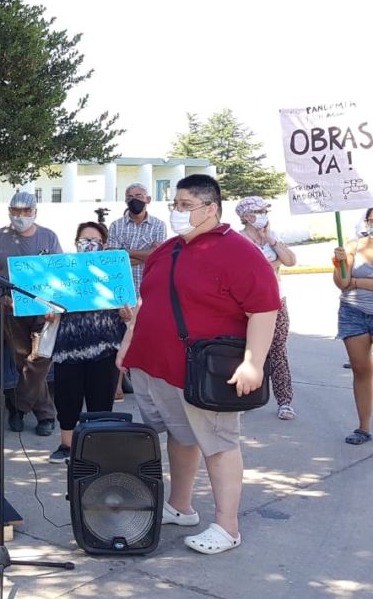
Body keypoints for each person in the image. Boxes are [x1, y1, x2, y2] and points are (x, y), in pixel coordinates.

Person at [118, 174, 279, 555]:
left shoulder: (238, 251)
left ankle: (227, 526)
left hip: (206, 369)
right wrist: (127, 344)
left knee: (219, 443)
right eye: (175, 205)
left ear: (211, 209)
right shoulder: (167, 249)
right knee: (181, 435)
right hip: (158, 365)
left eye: (186, 206)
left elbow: (264, 308)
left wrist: (253, 363)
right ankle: (181, 505)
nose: (177, 212)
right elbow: (146, 303)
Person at [48, 223, 133, 463]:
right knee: (67, 398)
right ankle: (66, 446)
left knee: (101, 399)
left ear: (104, 245)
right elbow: (49, 303)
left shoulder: (115, 271)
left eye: (94, 239)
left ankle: (99, 448)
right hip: (68, 348)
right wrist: (48, 312)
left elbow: (129, 309)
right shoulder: (63, 271)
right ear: (76, 242)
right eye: (84, 239)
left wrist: (127, 314)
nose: (89, 244)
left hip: (105, 347)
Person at [0, 191, 62, 436]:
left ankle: (18, 406)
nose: (21, 216)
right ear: (9, 211)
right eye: (15, 211)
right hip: (10, 308)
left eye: (26, 211)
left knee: (39, 360)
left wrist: (53, 304)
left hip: (43, 311)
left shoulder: (48, 237)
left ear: (35, 211)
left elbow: (59, 274)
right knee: (21, 361)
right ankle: (46, 416)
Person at [236, 196, 298, 420]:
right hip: (248, 304)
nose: (262, 215)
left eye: (264, 210)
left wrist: (271, 240)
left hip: (276, 301)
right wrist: (274, 264)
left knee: (278, 350)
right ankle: (240, 399)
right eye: (257, 211)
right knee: (246, 350)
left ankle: (285, 401)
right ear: (245, 217)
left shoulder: (272, 238)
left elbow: (291, 260)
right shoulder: (238, 240)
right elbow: (248, 271)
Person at [108, 182, 166, 400]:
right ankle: (117, 385)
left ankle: (149, 385)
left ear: (148, 199)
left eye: (139, 195)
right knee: (119, 337)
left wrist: (127, 252)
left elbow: (157, 255)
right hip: (122, 289)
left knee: (145, 338)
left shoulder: (158, 225)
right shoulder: (116, 225)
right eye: (130, 195)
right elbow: (113, 257)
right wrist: (140, 254)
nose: (135, 199)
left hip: (147, 288)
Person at [332, 207, 373, 446]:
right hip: (353, 312)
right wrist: (340, 263)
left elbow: (352, 283)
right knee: (361, 369)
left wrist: (357, 282)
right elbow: (343, 283)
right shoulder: (354, 245)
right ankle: (363, 427)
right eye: (371, 219)